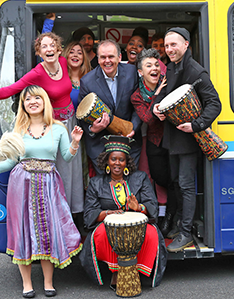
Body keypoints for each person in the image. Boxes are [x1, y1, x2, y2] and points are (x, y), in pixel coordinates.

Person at [0, 32, 85, 217]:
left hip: (71, 121)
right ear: (39, 52)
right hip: (54, 126)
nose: (49, 49)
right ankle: (60, 213)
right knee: (60, 172)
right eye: (44, 47)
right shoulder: (37, 73)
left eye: (52, 45)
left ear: (59, 49)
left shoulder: (62, 63)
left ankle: (74, 213)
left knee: (74, 170)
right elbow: (8, 90)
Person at [0, 85, 83, 298]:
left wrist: (75, 143)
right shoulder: (18, 131)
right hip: (22, 184)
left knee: (48, 231)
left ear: (44, 101)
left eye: (37, 98)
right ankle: (27, 284)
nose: (32, 101)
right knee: (23, 231)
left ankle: (49, 283)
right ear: (23, 104)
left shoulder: (58, 128)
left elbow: (67, 158)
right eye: (27, 99)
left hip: (49, 183)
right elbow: (8, 163)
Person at [153, 27, 222, 252]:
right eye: (167, 45)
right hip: (173, 138)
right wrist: (157, 109)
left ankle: (186, 232)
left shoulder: (195, 71)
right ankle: (179, 226)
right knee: (175, 184)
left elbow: (214, 104)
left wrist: (196, 125)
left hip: (188, 140)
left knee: (185, 185)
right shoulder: (170, 68)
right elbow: (164, 98)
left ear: (186, 45)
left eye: (174, 45)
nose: (169, 49)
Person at [79, 135, 167, 290]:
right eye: (113, 159)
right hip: (108, 226)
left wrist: (138, 208)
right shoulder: (96, 183)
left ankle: (134, 270)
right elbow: (89, 214)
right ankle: (116, 270)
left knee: (151, 234)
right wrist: (108, 213)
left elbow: (152, 205)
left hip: (140, 225)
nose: (117, 163)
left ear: (127, 162)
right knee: (101, 235)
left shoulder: (139, 178)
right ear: (107, 161)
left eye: (121, 159)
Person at [130, 48, 177, 236]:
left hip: (175, 139)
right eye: (149, 65)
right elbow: (148, 119)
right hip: (155, 141)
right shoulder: (137, 96)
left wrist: (162, 90)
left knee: (176, 180)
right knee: (159, 177)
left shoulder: (171, 85)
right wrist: (157, 94)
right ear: (141, 72)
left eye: (157, 64)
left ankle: (171, 219)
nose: (154, 68)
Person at [78, 39, 142, 173]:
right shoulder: (87, 81)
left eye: (111, 56)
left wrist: (133, 128)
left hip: (129, 141)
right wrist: (93, 128)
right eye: (103, 57)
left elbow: (139, 104)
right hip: (101, 147)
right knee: (106, 190)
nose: (107, 61)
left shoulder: (131, 72)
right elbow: (82, 117)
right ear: (98, 58)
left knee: (129, 187)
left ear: (119, 57)